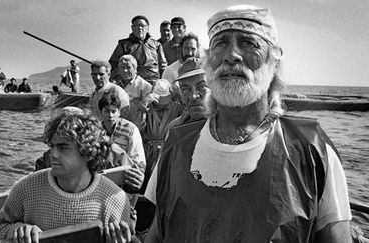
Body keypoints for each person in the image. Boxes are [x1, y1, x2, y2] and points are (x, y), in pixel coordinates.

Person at [144, 5, 352, 242]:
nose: (231, 55)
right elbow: (156, 235)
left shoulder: (311, 149)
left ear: (274, 62)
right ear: (208, 62)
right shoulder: (175, 147)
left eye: (248, 42)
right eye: (220, 43)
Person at [0, 107, 133, 243]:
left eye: (63, 147)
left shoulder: (114, 199)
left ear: (89, 152)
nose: (53, 154)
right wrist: (17, 230)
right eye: (52, 146)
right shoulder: (27, 188)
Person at [109, 15, 167, 84]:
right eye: (137, 25)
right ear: (132, 28)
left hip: (153, 82)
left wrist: (163, 82)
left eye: (142, 25)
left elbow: (163, 66)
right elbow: (113, 64)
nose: (140, 28)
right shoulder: (123, 44)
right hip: (131, 83)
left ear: (147, 28)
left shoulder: (156, 44)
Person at [167, 57, 209, 129]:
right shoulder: (174, 129)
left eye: (201, 87)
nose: (193, 96)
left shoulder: (229, 126)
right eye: (185, 89)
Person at [115, 55, 153, 128]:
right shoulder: (116, 86)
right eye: (122, 68)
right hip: (119, 128)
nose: (125, 70)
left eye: (128, 67)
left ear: (135, 69)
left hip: (137, 129)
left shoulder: (145, 86)